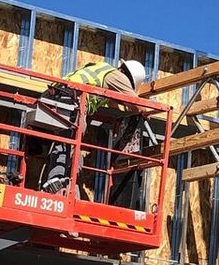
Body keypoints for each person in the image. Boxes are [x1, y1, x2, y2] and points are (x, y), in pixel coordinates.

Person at [22, 58, 148, 197]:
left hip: (52, 96)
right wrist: (146, 112)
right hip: (71, 101)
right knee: (68, 144)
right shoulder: (118, 77)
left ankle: (42, 166)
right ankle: (57, 181)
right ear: (131, 79)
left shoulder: (100, 69)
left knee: (57, 143)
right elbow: (135, 103)